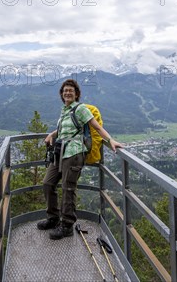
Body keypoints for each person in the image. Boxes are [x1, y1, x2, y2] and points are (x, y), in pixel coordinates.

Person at [37, 79, 123, 240]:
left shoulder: (81, 109)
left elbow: (96, 126)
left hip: (75, 153)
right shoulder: (65, 110)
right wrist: (52, 134)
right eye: (65, 91)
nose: (67, 93)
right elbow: (65, 129)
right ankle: (53, 218)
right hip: (60, 153)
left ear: (76, 94)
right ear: (62, 94)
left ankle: (67, 225)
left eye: (71, 90)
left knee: (68, 188)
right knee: (48, 183)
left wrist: (110, 140)